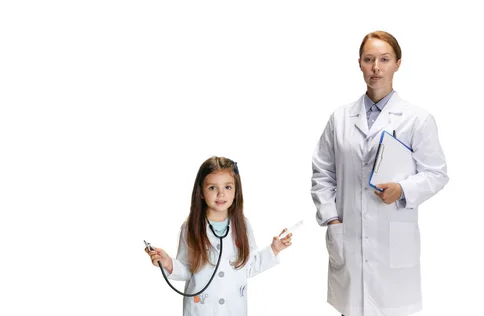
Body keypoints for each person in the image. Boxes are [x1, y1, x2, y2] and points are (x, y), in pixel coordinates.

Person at [311, 31, 449, 316]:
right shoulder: (340, 118)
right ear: (359, 63)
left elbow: (437, 173)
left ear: (397, 63)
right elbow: (322, 172)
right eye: (369, 59)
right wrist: (332, 219)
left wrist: (403, 190)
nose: (376, 67)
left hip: (393, 241)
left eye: (384, 59)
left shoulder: (417, 118)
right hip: (347, 236)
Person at [145, 156, 292, 316]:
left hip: (233, 309)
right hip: (200, 310)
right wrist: (168, 263)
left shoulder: (243, 225)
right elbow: (188, 270)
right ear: (201, 192)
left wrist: (274, 250)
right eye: (212, 188)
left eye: (228, 187)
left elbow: (248, 267)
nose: (221, 194)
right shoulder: (190, 227)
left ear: (236, 191)